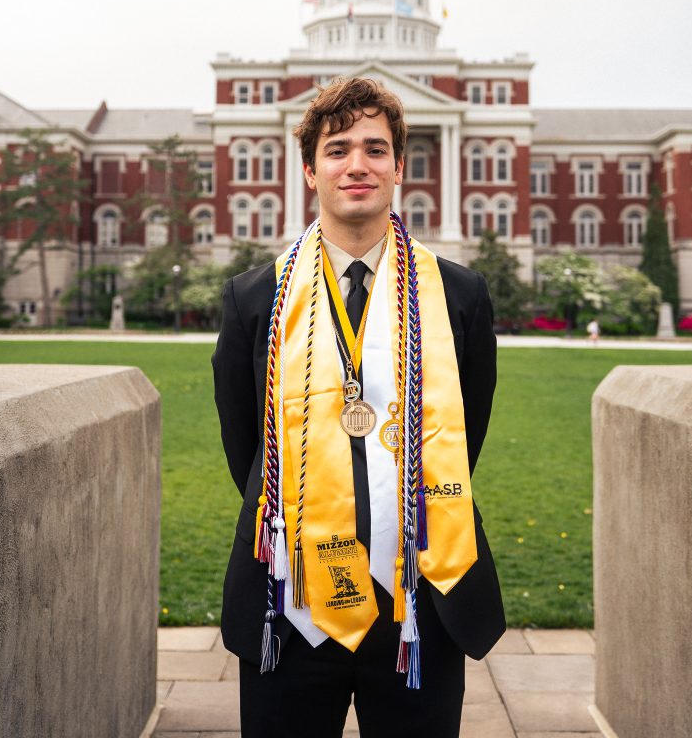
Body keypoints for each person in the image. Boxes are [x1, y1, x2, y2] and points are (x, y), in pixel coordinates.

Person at [213, 77, 505, 738]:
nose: (357, 165)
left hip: (419, 600)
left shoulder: (458, 294)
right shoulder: (254, 298)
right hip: (290, 597)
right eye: (337, 149)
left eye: (375, 149)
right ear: (310, 170)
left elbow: (467, 429)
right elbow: (246, 445)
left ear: (399, 167)